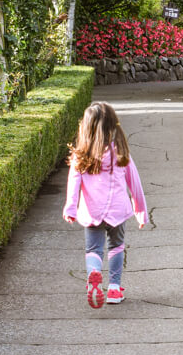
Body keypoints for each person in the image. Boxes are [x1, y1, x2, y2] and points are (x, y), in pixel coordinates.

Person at [63, 101, 148, 309]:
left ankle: (94, 272)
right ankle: (114, 288)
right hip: (118, 211)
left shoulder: (80, 156)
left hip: (92, 211)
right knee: (116, 246)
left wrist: (70, 207)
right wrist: (140, 211)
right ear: (113, 126)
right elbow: (134, 182)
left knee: (93, 249)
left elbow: (73, 184)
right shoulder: (120, 153)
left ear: (86, 127)